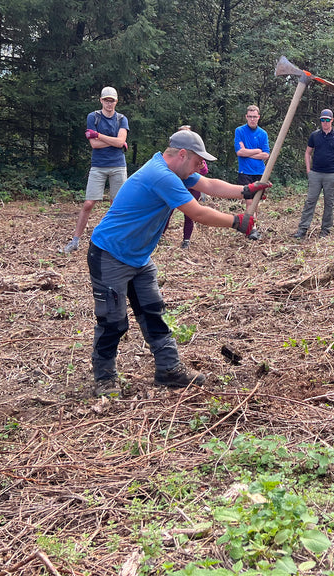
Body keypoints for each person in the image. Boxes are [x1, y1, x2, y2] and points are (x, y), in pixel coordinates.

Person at [87, 130, 271, 397]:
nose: (200, 167)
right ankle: (104, 378)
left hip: (138, 257)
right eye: (198, 162)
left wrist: (245, 190)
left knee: (153, 312)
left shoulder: (175, 171)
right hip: (110, 254)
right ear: (182, 155)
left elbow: (209, 185)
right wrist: (236, 221)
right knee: (113, 321)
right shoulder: (160, 176)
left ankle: (168, 370)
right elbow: (197, 212)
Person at [62, 87, 129, 254]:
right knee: (88, 203)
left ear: (116, 102)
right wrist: (114, 142)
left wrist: (98, 135)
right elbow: (94, 145)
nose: (108, 103)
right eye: (106, 100)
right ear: (100, 100)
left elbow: (119, 142)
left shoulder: (122, 119)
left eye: (111, 100)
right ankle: (75, 240)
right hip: (98, 166)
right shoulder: (93, 117)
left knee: (117, 205)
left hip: (118, 165)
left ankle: (115, 240)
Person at [294, 109, 334, 239]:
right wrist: (308, 169)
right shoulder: (314, 135)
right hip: (316, 174)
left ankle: (325, 230)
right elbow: (308, 152)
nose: (325, 122)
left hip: (331, 175)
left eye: (327, 120)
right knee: (310, 201)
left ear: (332, 120)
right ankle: (302, 229)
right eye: (322, 120)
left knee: (329, 203)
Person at [234, 104, 270, 239]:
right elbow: (239, 151)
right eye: (250, 117)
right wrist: (256, 151)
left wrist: (247, 152)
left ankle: (252, 224)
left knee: (256, 201)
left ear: (258, 117)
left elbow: (266, 155)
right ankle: (252, 229)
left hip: (260, 172)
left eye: (255, 117)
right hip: (245, 172)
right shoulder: (240, 131)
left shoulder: (262, 133)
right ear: (246, 117)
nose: (252, 119)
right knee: (249, 201)